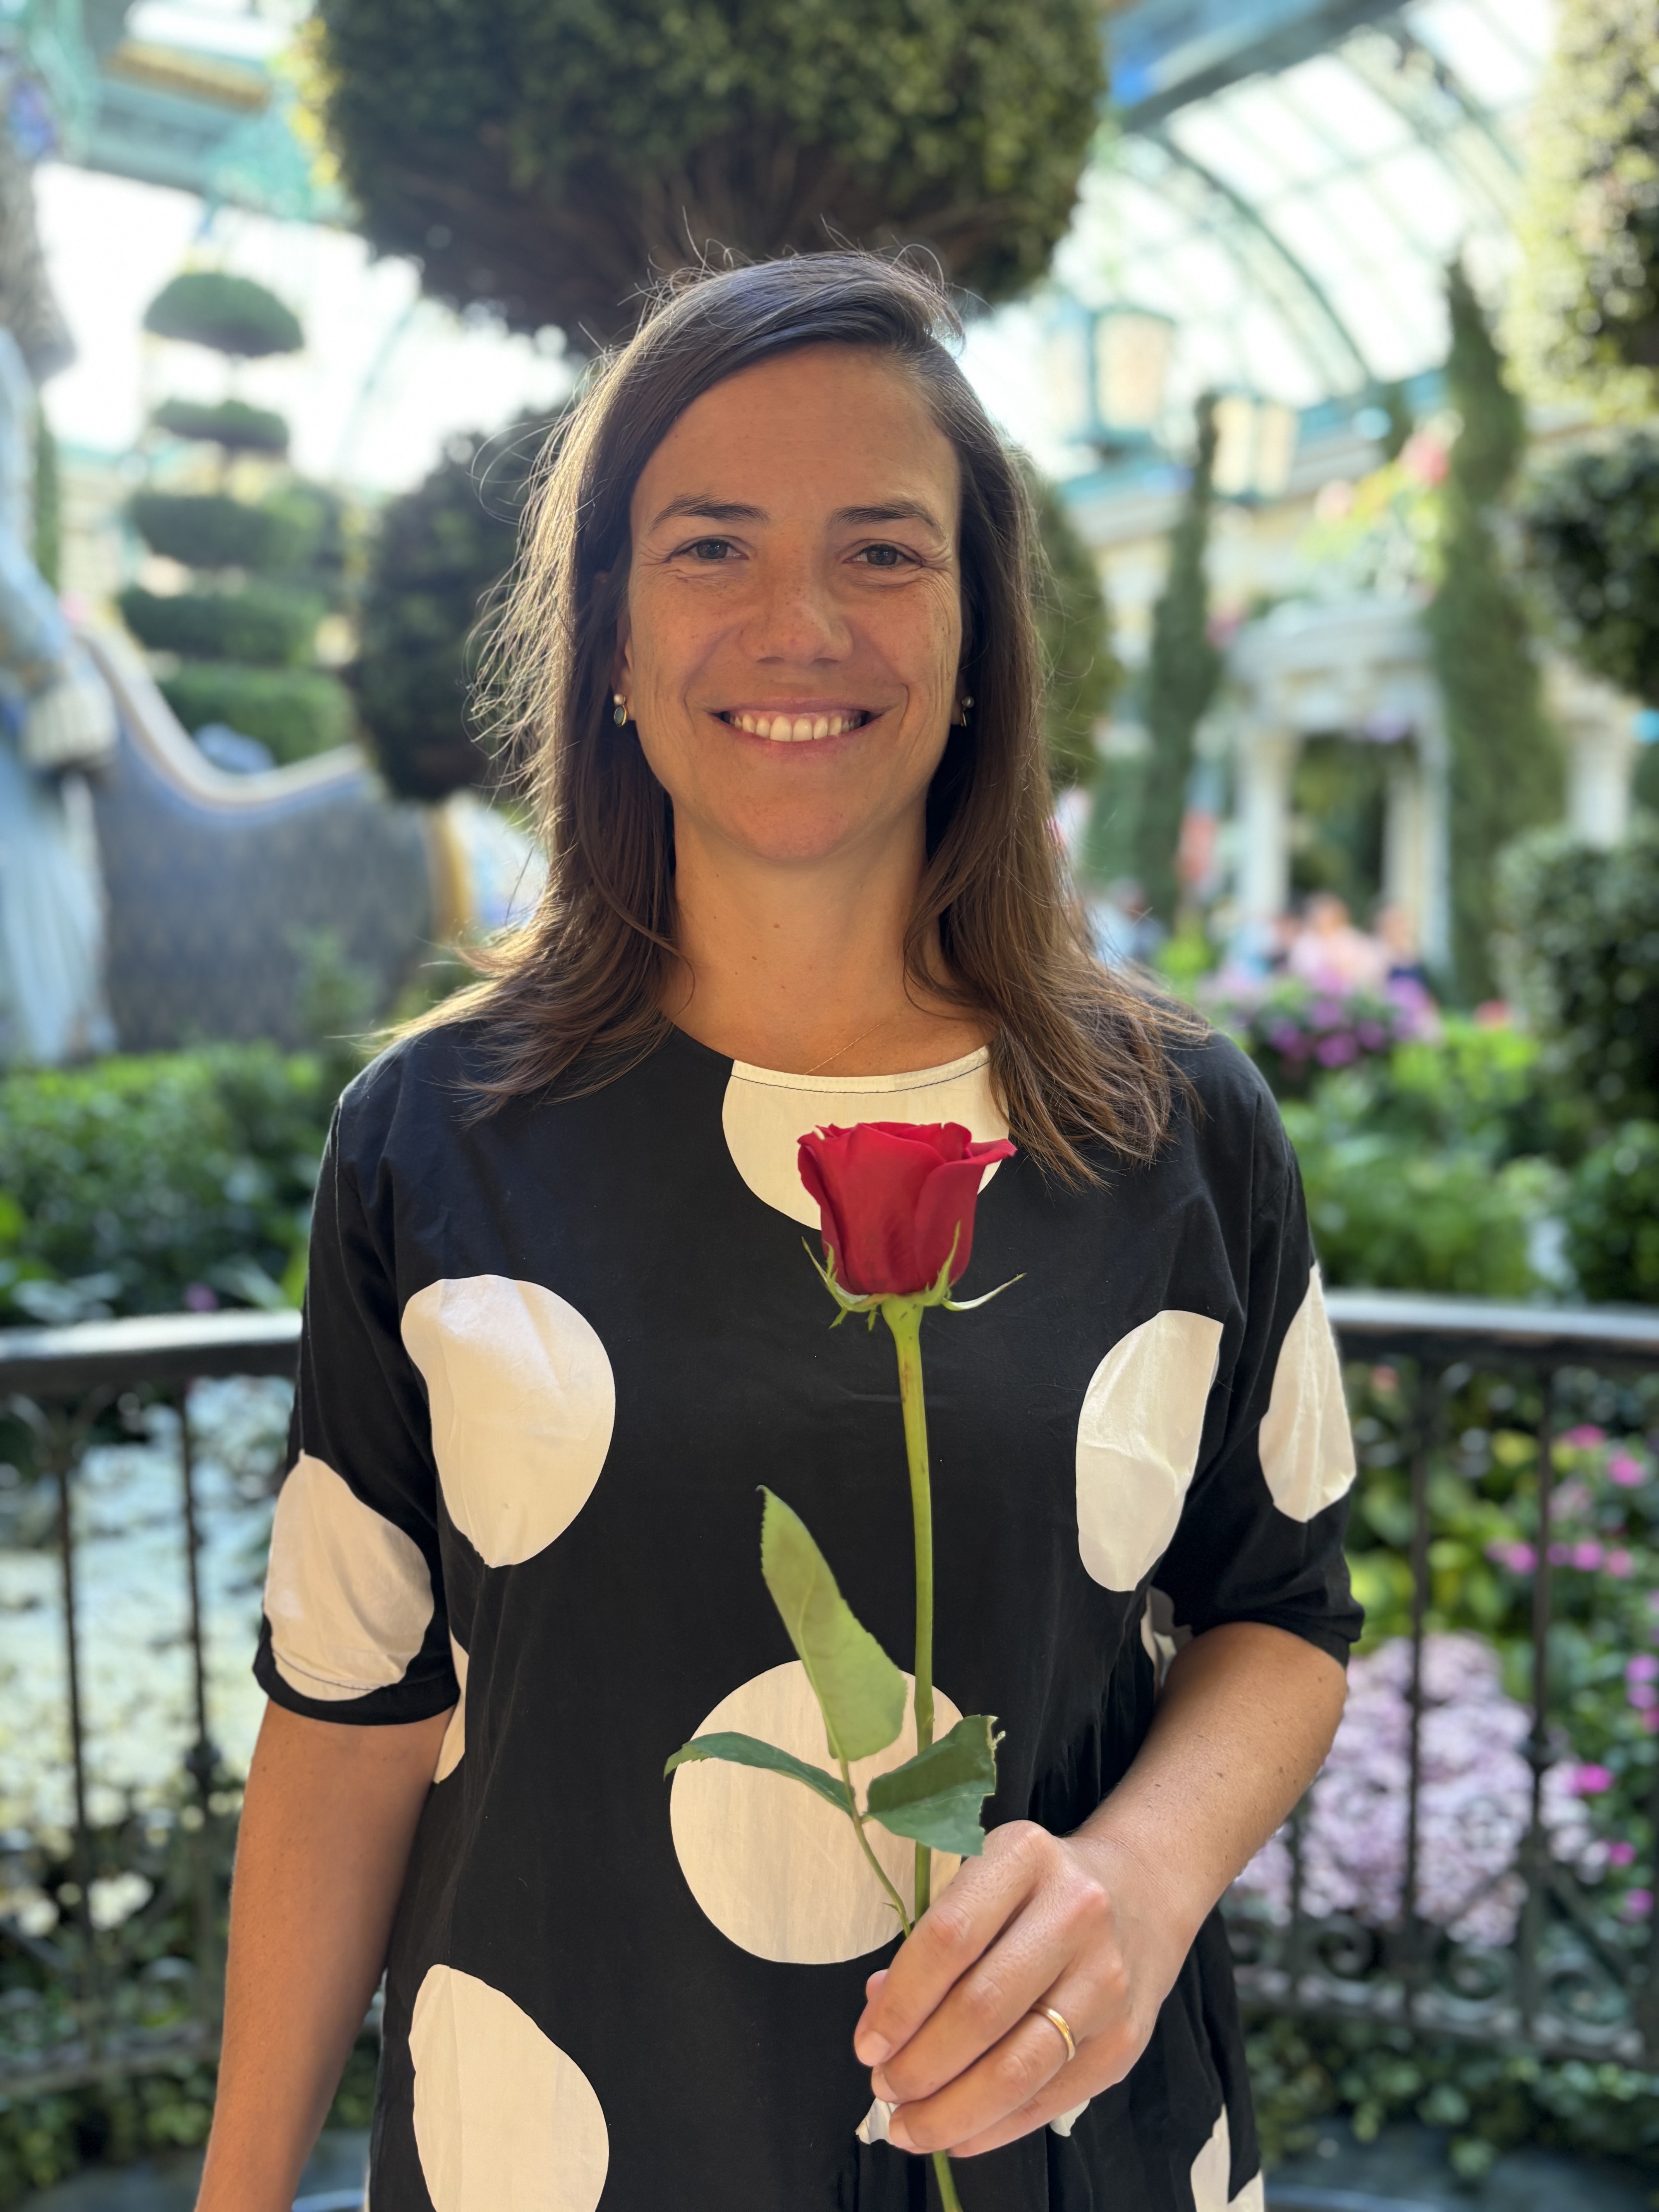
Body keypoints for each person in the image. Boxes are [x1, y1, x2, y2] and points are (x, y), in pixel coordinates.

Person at [196, 255, 1357, 2212]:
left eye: (883, 552)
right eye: (710, 547)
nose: (799, 623)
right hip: (542, 2155)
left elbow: (1285, 1611)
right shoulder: (429, 1141)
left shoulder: (1177, 1127)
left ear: (977, 637)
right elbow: (348, 1714)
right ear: (613, 643)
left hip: (1052, 2160)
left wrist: (1141, 1879)